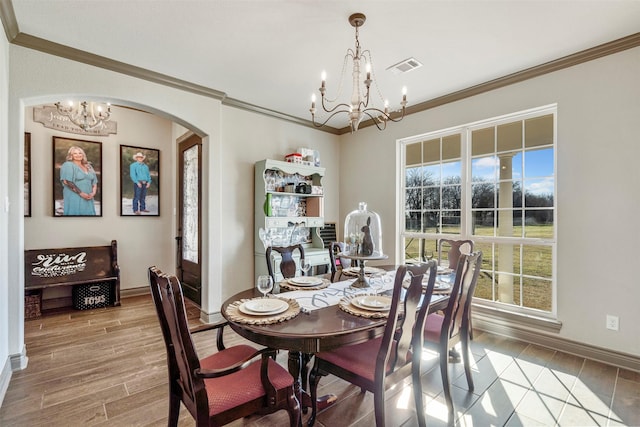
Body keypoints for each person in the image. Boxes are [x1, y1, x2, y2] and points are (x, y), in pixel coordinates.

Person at [60, 146, 98, 216]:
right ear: (71, 156)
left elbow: (94, 181)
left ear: (83, 154)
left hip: (88, 196)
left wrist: (93, 193)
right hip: (74, 196)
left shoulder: (88, 166)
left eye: (80, 153)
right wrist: (81, 193)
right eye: (75, 153)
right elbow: (67, 181)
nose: (78, 155)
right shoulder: (68, 165)